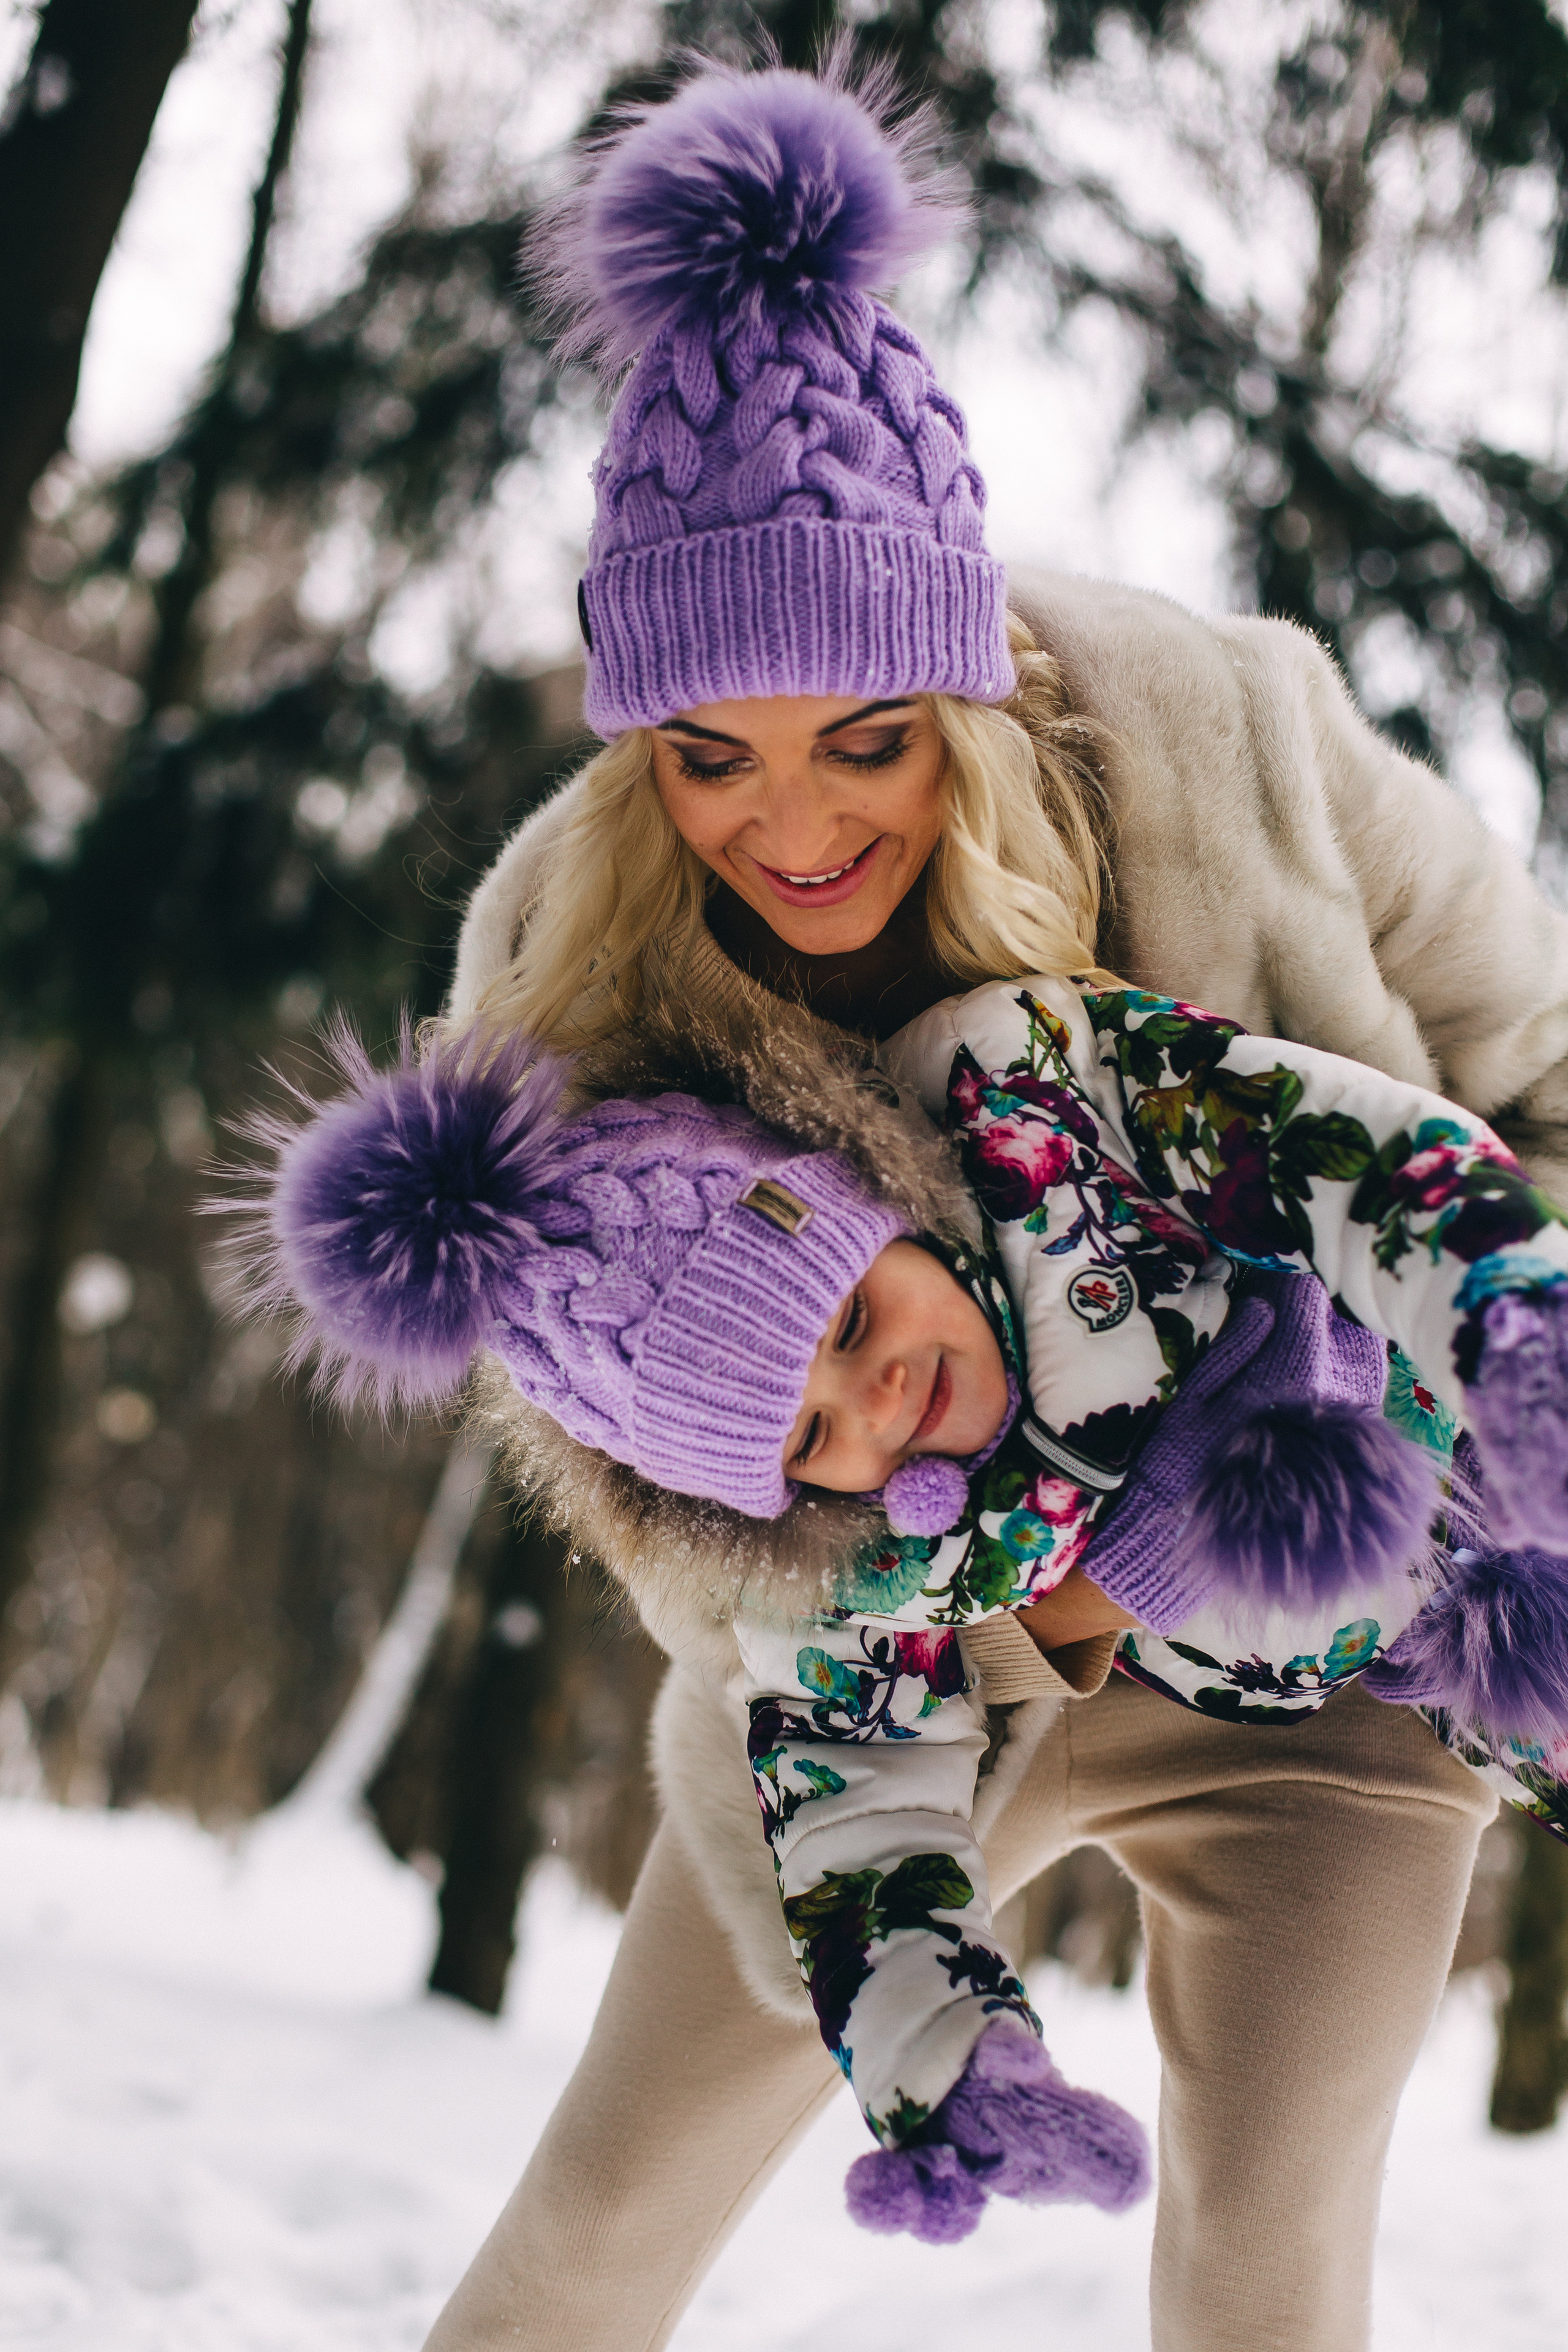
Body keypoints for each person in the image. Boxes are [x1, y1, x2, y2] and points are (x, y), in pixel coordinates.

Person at [355, 53, 1568, 2351]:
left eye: (866, 740)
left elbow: (1534, 1074)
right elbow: (634, 1449)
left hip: (1343, 1615)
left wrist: (1470, 1409)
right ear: (640, 743)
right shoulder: (565, 976)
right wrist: (915, 1566)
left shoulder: (1230, 733)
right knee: (602, 2227)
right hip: (897, 1664)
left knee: (1277, 2265)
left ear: (968, 686)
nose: (791, 824)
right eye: (708, 756)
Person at [247, 943, 1568, 2250]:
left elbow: (1324, 1148)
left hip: (1474, 1430)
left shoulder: (1033, 1111)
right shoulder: (859, 1569)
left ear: (864, 1202)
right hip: (1408, 1661)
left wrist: (1507, 1317)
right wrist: (955, 2073)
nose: (876, 1402)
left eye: (843, 1324)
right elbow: (855, 1817)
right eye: (808, 1442)